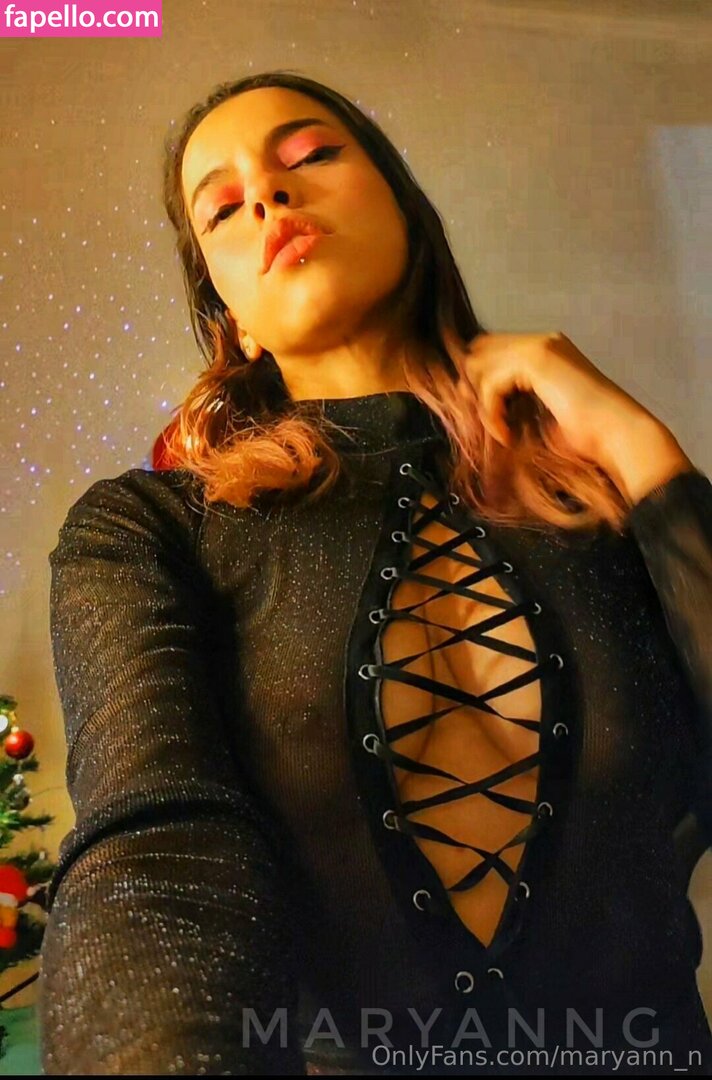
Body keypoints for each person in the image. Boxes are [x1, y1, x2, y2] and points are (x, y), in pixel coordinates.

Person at [38, 71, 712, 1076]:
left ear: (405, 208)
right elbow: (156, 865)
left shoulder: (602, 496)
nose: (268, 196)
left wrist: (638, 446)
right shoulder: (150, 529)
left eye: (310, 155)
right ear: (233, 320)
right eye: (222, 207)